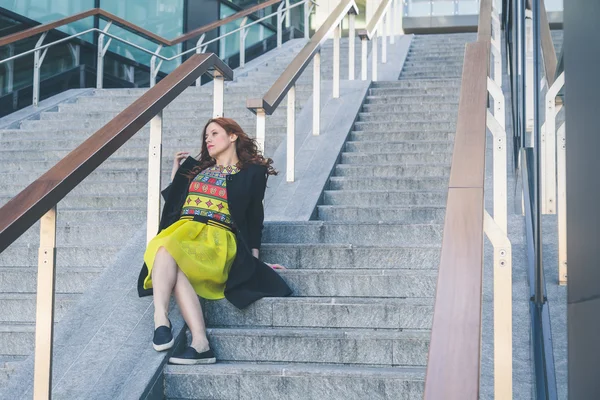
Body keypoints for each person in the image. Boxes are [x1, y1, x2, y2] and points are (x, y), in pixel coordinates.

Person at [137, 117, 292, 365]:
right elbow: (174, 204)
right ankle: (190, 338)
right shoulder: (195, 169)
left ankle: (172, 327)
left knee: (168, 250)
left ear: (232, 136)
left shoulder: (251, 172)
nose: (208, 139)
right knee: (166, 249)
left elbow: (254, 218)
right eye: (206, 136)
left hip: (218, 237)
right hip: (183, 231)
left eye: (214, 133)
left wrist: (255, 262)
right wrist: (178, 174)